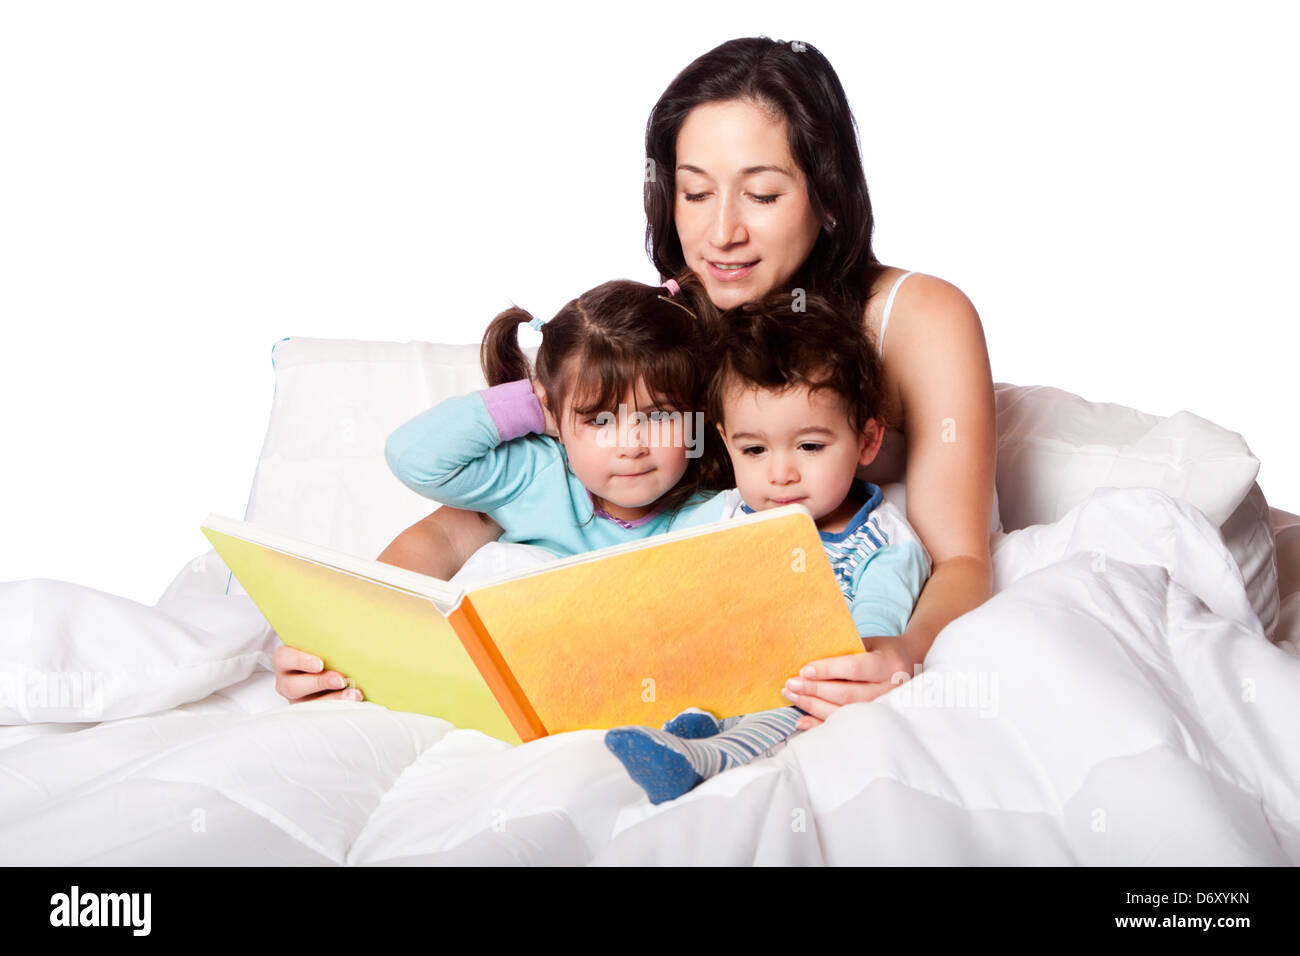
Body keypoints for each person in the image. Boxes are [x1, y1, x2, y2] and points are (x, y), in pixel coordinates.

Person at [274, 37, 996, 729]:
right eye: (694, 193)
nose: (722, 234)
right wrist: (345, 631)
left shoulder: (919, 319)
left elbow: (956, 557)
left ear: (828, 194)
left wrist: (901, 651)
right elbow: (487, 514)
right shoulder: (674, 326)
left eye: (764, 195)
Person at [604, 291, 930, 803]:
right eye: (754, 449)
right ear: (725, 440)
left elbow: (866, 642)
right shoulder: (726, 513)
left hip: (801, 683)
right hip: (718, 666)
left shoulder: (885, 544)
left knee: (784, 707)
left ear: (867, 441)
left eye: (810, 446)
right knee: (683, 693)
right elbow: (668, 582)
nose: (781, 474)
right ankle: (683, 733)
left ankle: (705, 758)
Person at [382, 271, 734, 576]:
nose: (632, 446)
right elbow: (414, 457)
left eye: (658, 416)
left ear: (696, 415)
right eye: (599, 420)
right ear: (556, 418)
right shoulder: (535, 476)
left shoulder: (713, 514)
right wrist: (533, 405)